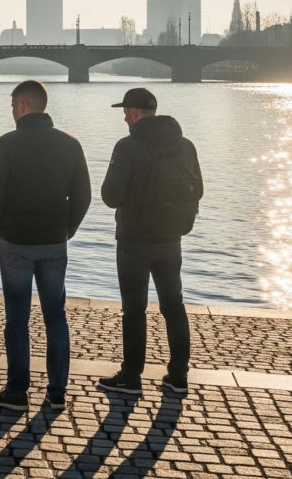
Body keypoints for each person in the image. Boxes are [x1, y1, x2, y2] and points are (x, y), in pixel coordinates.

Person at [0, 80, 91, 412]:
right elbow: (83, 195)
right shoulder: (70, 144)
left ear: (23, 106)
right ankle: (56, 392)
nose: (12, 111)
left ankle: (17, 391)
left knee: (17, 318)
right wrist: (66, 228)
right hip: (54, 240)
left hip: (14, 241)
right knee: (55, 316)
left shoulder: (6, 145)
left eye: (13, 105)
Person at [98, 87, 203, 397]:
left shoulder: (127, 147)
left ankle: (131, 377)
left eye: (125, 112)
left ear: (132, 114)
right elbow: (198, 189)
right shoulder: (185, 145)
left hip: (133, 240)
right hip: (171, 238)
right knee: (174, 305)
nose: (124, 117)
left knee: (134, 310)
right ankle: (178, 376)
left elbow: (110, 196)